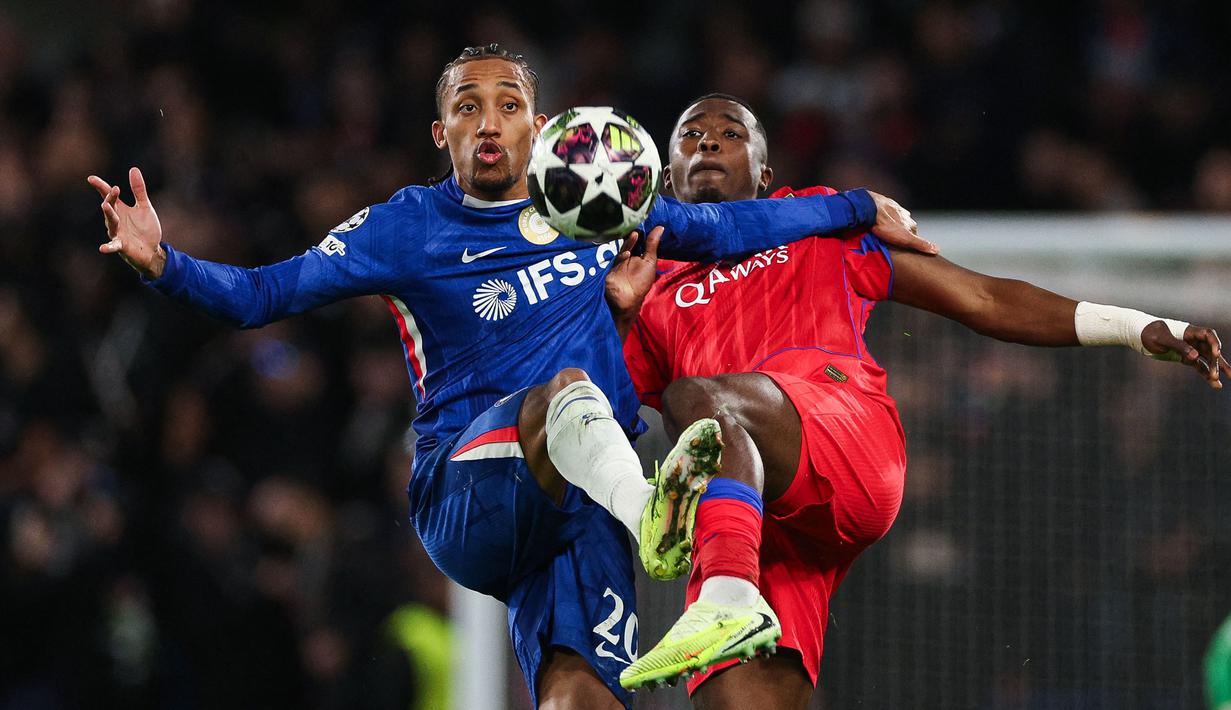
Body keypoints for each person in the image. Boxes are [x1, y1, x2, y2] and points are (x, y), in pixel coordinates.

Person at [85, 47, 934, 709]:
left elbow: (721, 227)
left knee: (584, 692)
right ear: (440, 134)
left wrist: (854, 207)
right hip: (468, 485)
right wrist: (164, 263)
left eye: (507, 105)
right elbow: (262, 294)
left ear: (540, 126)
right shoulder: (405, 227)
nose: (487, 122)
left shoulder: (595, 204)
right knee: (564, 392)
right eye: (466, 106)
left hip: (576, 509)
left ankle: (644, 520)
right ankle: (655, 515)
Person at [607, 93, 1228, 707]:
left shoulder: (820, 230)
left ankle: (726, 595)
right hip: (754, 520)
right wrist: (622, 319)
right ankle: (729, 594)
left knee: (699, 400)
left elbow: (982, 298)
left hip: (843, 434)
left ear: (765, 175)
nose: (709, 142)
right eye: (691, 134)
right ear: (666, 173)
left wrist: (1135, 327)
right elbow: (606, 418)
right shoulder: (649, 287)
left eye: (730, 133)